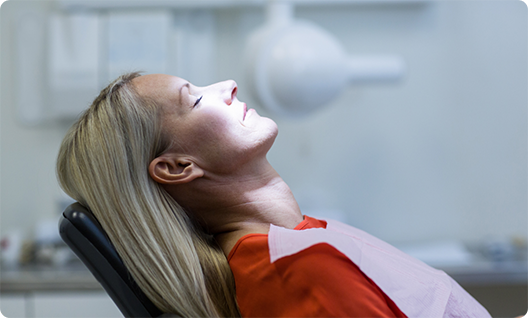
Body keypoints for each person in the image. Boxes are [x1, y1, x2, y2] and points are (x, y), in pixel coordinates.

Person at [57, 72, 491, 318]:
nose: (227, 85)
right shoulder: (296, 271)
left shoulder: (294, 246)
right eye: (195, 99)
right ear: (177, 167)